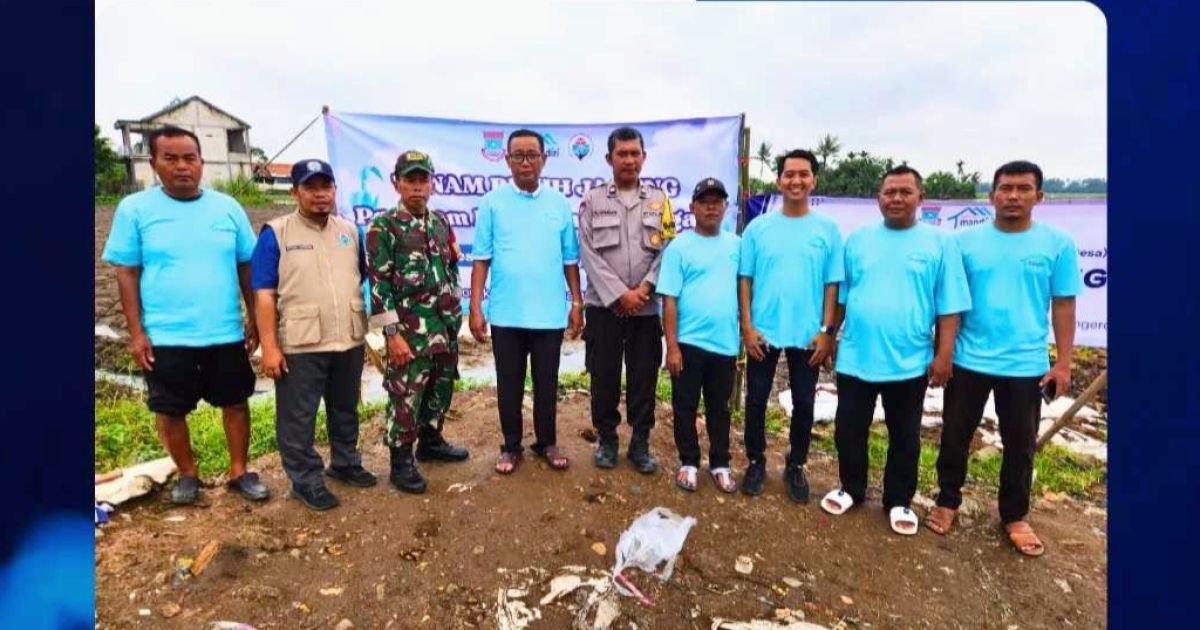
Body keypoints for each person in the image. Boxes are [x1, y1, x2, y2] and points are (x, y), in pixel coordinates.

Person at [101, 125, 269, 505]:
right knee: (170, 409)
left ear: (201, 162)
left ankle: (239, 471)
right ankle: (188, 474)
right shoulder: (135, 210)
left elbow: (247, 266)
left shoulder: (227, 208)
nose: (182, 166)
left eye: (189, 158)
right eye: (171, 158)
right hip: (166, 335)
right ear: (154, 163)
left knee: (236, 401)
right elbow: (127, 273)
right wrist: (137, 333)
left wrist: (254, 319)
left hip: (224, 331)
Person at [926, 160, 1081, 557]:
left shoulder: (1058, 244)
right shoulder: (964, 243)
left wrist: (1063, 362)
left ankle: (1014, 515)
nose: (1013, 196)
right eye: (1006, 188)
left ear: (1038, 196)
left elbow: (1064, 304)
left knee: (1021, 444)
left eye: (1023, 188)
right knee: (955, 435)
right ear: (991, 196)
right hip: (968, 359)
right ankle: (947, 500)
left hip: (1026, 364)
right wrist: (944, 353)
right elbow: (951, 303)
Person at [818, 166, 972, 535]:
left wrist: (944, 354)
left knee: (904, 436)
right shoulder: (858, 240)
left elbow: (949, 305)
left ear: (921, 198)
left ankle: (898, 500)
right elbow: (842, 297)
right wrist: (829, 335)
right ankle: (851, 488)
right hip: (856, 356)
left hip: (909, 361)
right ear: (879, 198)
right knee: (848, 430)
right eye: (889, 193)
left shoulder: (940, 243)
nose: (897, 199)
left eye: (905, 192)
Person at [250, 159, 377, 511]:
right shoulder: (276, 233)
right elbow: (263, 294)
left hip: (348, 338)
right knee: (298, 417)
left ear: (334, 190)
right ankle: (306, 480)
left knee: (345, 407)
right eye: (310, 187)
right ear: (295, 192)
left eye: (326, 186)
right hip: (301, 343)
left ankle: (345, 463)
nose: (320, 194)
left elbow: (363, 278)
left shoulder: (350, 232)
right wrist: (269, 347)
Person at [469, 129, 583, 474]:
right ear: (507, 160)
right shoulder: (492, 203)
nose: (525, 162)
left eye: (532, 155)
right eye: (518, 155)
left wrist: (577, 303)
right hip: (506, 313)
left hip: (549, 315)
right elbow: (481, 260)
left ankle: (547, 442)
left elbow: (570, 260)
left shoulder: (559, 204)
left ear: (544, 159)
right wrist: (475, 308)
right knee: (509, 385)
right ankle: (510, 446)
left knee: (547, 383)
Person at [738, 149, 843, 501]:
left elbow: (832, 285)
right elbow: (745, 279)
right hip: (763, 331)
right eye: (789, 174)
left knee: (804, 403)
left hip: (808, 334)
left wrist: (827, 333)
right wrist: (747, 327)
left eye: (803, 174)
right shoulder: (758, 228)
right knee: (756, 400)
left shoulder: (827, 230)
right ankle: (755, 461)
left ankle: (795, 464)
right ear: (779, 180)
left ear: (814, 180)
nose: (796, 180)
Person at [368, 150, 470, 494]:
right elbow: (378, 286)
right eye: (409, 180)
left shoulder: (440, 223)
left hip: (443, 327)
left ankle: (431, 441)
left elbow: (452, 267)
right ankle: (401, 462)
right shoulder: (384, 227)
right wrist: (392, 334)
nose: (417, 187)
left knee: (440, 387)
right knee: (406, 395)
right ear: (396, 183)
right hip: (409, 333)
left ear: (432, 184)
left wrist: (455, 310)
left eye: (422, 180)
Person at [577, 126, 675, 473]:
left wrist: (644, 290)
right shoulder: (592, 201)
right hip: (604, 308)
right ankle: (607, 440)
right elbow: (588, 253)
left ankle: (640, 443)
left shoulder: (660, 201)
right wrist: (620, 294)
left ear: (644, 157)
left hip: (646, 310)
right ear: (610, 158)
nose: (629, 160)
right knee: (603, 375)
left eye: (635, 153)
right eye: (622, 154)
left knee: (643, 377)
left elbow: (667, 248)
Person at [658, 178, 741, 494]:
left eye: (717, 202)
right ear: (692, 207)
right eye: (704, 202)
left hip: (724, 344)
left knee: (720, 408)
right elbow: (669, 299)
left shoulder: (737, 246)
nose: (711, 207)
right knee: (685, 406)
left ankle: (720, 464)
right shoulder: (679, 247)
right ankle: (689, 462)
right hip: (688, 344)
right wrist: (672, 346)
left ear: (725, 207)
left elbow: (745, 290)